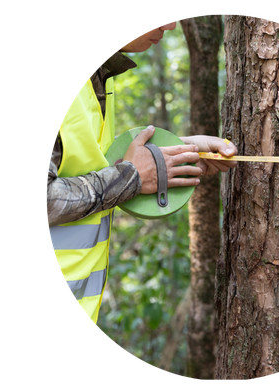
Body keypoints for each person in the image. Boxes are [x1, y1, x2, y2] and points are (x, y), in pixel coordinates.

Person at [46, 21, 238, 324]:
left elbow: (88, 165)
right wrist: (131, 176)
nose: (173, 25)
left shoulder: (100, 77)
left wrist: (175, 154)